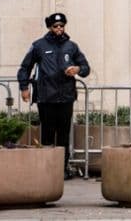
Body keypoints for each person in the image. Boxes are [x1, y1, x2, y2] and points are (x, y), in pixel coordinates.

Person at [17, 12, 90, 179]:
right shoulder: (38, 46)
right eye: (56, 26)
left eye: (62, 26)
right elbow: (24, 68)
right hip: (46, 97)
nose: (59, 29)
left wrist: (77, 69)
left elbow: (85, 67)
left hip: (66, 97)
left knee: (64, 135)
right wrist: (24, 87)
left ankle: (62, 169)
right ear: (50, 27)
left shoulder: (71, 46)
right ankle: (47, 168)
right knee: (47, 134)